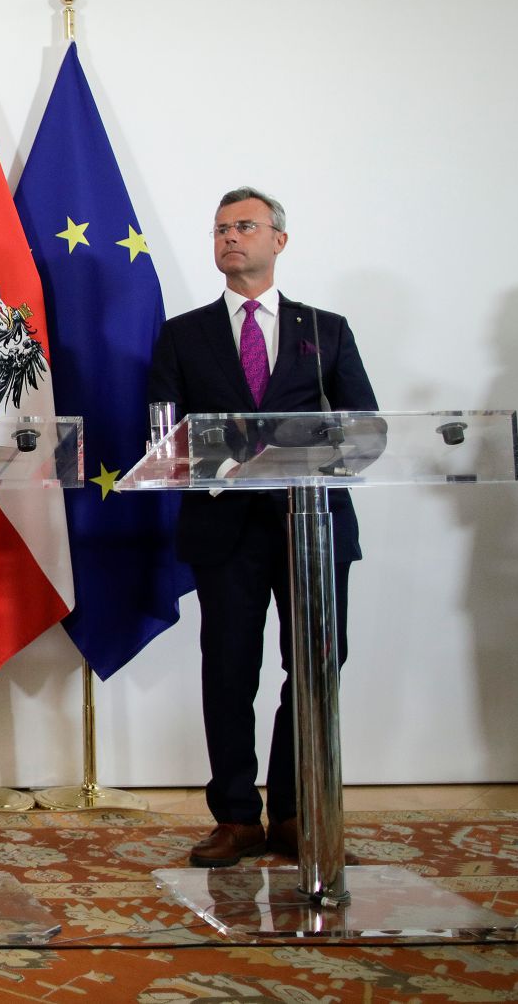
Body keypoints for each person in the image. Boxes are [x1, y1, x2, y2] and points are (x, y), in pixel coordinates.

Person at [147, 187, 377, 868]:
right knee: (228, 668)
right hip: (226, 526)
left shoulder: (322, 330)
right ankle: (237, 817)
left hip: (310, 525)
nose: (229, 238)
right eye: (220, 229)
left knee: (313, 666)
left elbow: (363, 425)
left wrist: (297, 448)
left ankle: (295, 811)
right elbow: (162, 432)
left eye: (244, 226)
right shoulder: (183, 334)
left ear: (280, 239)